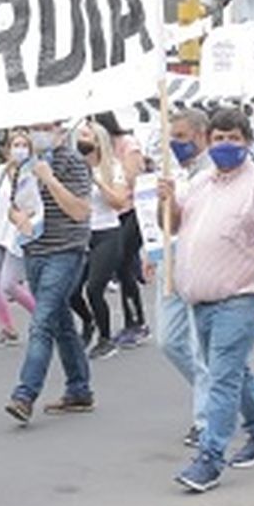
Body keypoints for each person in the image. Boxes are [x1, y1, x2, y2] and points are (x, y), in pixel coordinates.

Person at [163, 107, 254, 494]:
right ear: (209, 141)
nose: (225, 145)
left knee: (220, 378)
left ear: (247, 142)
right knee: (234, 373)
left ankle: (210, 457)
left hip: (240, 297)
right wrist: (166, 201)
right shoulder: (201, 182)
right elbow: (171, 223)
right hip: (200, 301)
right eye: (219, 138)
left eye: (234, 138)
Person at [4, 121, 95, 423]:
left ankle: (24, 395)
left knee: (41, 322)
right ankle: (79, 389)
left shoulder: (74, 163)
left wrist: (51, 180)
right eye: (34, 127)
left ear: (59, 129)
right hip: (34, 249)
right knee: (60, 323)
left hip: (65, 251)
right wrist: (18, 218)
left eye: (46, 127)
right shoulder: (24, 165)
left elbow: (80, 210)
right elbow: (13, 206)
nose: (39, 133)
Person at [151, 108, 213, 449]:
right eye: (172, 137)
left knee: (200, 348)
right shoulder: (173, 172)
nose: (175, 144)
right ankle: (218, 394)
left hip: (200, 269)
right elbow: (167, 224)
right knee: (170, 341)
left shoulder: (214, 173)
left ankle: (206, 420)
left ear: (201, 136)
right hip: (171, 264)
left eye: (182, 137)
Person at [70, 120, 130, 360]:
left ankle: (106, 339)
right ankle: (88, 321)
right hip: (83, 234)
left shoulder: (111, 167)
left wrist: (97, 179)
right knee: (72, 291)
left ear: (97, 142)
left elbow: (119, 202)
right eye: (80, 135)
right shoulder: (74, 166)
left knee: (94, 288)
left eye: (86, 136)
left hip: (107, 233)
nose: (81, 140)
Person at [94, 112, 149, 350]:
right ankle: (131, 321)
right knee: (120, 265)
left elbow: (130, 178)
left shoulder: (128, 145)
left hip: (132, 211)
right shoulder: (99, 149)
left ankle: (137, 322)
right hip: (112, 215)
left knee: (125, 263)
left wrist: (108, 171)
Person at [0, 128, 37, 349]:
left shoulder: (34, 173)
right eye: (15, 145)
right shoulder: (2, 170)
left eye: (24, 146)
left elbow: (36, 205)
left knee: (10, 284)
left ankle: (44, 318)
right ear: (8, 150)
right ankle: (7, 328)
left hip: (17, 235)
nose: (19, 150)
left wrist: (26, 217)